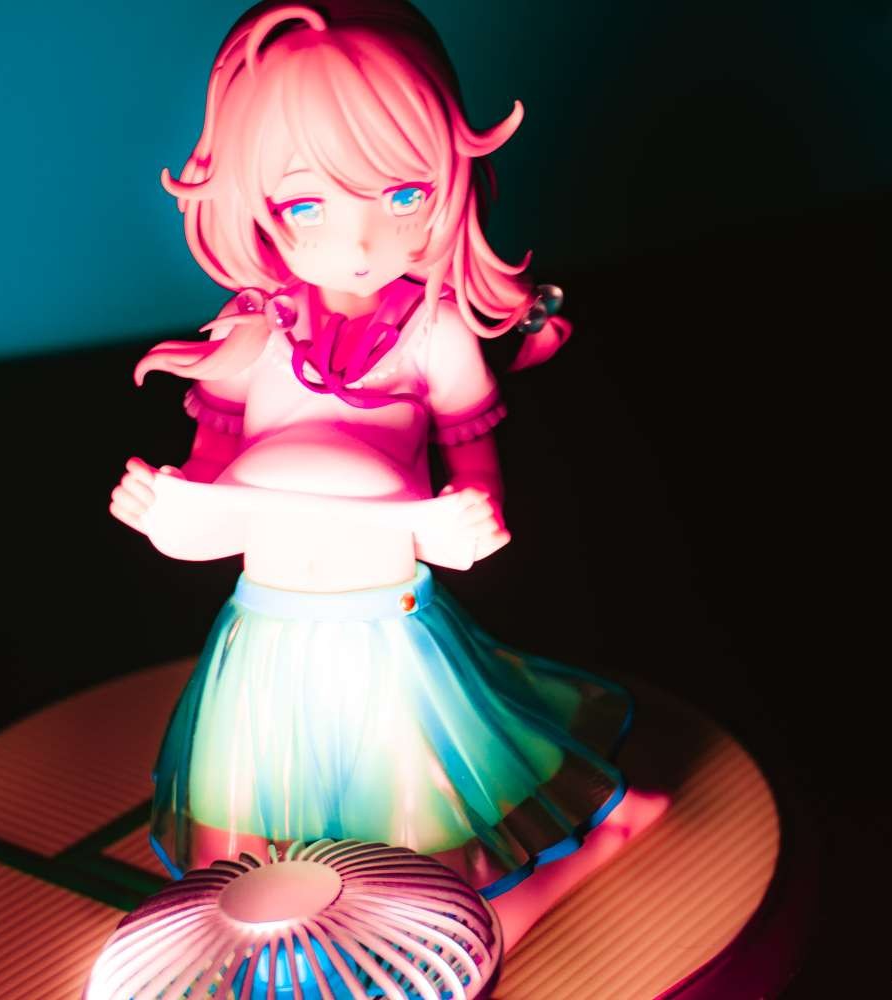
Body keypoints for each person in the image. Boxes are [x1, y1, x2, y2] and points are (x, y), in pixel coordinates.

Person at [109, 0, 665, 949]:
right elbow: (211, 480)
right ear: (253, 201)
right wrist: (171, 509)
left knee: (432, 874)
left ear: (448, 181)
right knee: (236, 864)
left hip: (386, 627)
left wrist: (474, 516)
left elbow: (474, 463)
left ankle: (595, 843)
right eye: (307, 204)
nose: (361, 242)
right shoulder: (247, 335)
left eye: (403, 196)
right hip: (266, 633)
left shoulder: (434, 331)